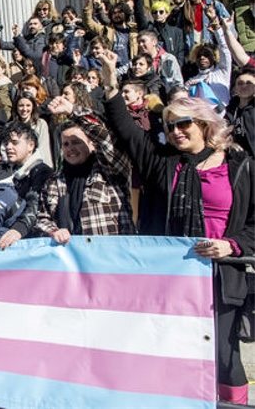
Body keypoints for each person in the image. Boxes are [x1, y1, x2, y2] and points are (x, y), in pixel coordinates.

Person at [99, 48, 254, 405]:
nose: (176, 131)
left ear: (204, 124)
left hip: (221, 275)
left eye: (184, 123)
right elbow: (127, 133)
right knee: (177, 356)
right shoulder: (164, 164)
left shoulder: (240, 165)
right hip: (174, 277)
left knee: (225, 357)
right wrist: (110, 83)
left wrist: (231, 245)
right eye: (169, 126)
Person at [36, 96, 135, 243]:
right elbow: (42, 218)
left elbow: (104, 136)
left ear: (92, 144)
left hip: (114, 256)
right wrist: (54, 231)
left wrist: (72, 110)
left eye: (76, 142)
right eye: (66, 144)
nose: (70, 148)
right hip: (73, 260)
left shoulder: (110, 170)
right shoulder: (54, 181)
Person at [0, 122, 53, 249]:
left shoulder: (42, 172)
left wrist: (18, 229)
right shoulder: (9, 173)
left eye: (15, 143)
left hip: (33, 244)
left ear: (30, 145)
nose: (8, 147)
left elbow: (35, 206)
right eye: (6, 143)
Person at [12, 93, 52, 168]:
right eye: (21, 105)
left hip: (37, 165)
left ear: (33, 107)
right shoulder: (11, 126)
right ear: (16, 107)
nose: (24, 109)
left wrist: (47, 169)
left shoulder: (40, 124)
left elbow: (44, 148)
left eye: (28, 105)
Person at [226, 69, 255, 156]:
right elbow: (222, 134)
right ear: (234, 88)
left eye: (249, 83)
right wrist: (229, 144)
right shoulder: (230, 110)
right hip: (239, 161)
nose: (244, 86)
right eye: (240, 83)